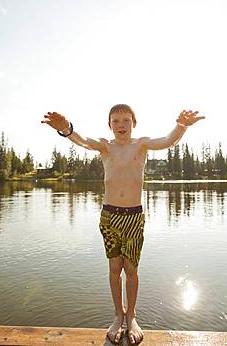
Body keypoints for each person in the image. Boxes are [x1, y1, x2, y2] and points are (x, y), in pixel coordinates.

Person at [41, 105, 205, 345]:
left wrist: (181, 126)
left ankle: (132, 316)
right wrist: (66, 128)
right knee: (115, 269)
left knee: (131, 270)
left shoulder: (141, 145)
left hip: (134, 218)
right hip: (110, 217)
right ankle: (118, 315)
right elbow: (83, 141)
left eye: (126, 120)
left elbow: (168, 141)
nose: (121, 124)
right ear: (110, 125)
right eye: (116, 120)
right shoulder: (105, 146)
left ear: (134, 123)